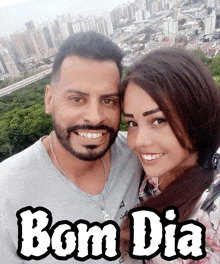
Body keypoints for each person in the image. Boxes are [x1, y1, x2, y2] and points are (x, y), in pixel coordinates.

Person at [0, 31, 142, 264]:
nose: (95, 117)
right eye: (77, 99)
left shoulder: (137, 153)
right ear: (49, 100)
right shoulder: (7, 191)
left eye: (108, 100)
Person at [119, 48, 220, 263]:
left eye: (158, 120)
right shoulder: (155, 174)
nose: (139, 141)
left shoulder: (214, 205)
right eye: (132, 123)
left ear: (196, 114)